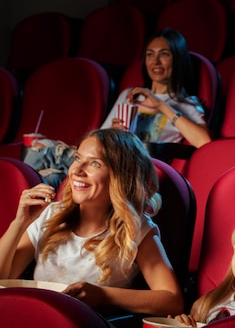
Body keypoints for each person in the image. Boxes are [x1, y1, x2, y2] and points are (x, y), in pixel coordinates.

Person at [0, 128, 184, 317]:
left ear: (121, 176)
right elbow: (2, 277)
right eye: (77, 158)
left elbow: (172, 300)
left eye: (95, 164)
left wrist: (103, 295)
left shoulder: (136, 230)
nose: (77, 171)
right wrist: (19, 223)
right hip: (36, 320)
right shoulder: (50, 215)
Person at [24, 28, 212, 188]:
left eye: (164, 54)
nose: (155, 62)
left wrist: (162, 105)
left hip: (131, 168)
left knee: (45, 150)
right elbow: (98, 137)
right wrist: (113, 131)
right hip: (102, 160)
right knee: (48, 178)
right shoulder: (131, 95)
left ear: (177, 59)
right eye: (150, 54)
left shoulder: (185, 104)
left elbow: (205, 143)